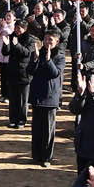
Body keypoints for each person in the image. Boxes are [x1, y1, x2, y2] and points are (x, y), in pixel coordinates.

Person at [27, 30, 65, 167]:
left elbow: (55, 73)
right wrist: (36, 59)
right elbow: (30, 71)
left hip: (50, 96)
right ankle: (36, 155)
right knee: (36, 128)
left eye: (51, 40)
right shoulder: (37, 53)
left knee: (48, 130)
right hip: (37, 95)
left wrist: (49, 60)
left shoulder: (60, 57)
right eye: (46, 39)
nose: (48, 42)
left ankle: (46, 157)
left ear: (57, 42)